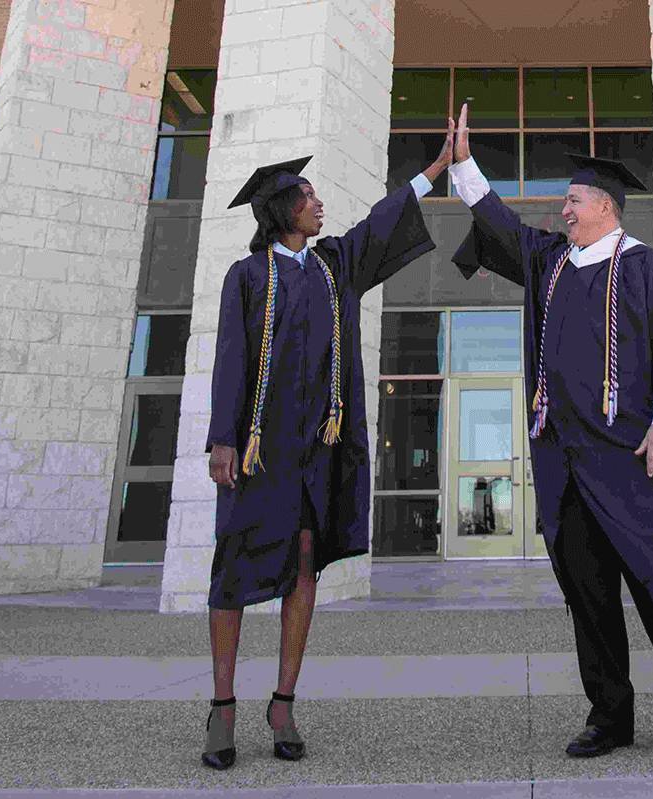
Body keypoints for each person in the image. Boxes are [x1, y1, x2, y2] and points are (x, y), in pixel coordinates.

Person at [449, 104, 653, 757]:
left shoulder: (648, 269)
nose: (564, 211)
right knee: (589, 599)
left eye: (575, 201)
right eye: (565, 202)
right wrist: (464, 165)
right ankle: (609, 715)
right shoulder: (553, 263)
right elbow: (500, 225)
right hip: (566, 466)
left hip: (634, 462)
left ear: (608, 209)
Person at [200, 120, 454, 770]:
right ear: (285, 210)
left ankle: (282, 702)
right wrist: (222, 440)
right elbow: (231, 360)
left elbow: (380, 221)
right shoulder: (247, 276)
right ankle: (222, 706)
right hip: (259, 452)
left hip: (317, 449)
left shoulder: (335, 264)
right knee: (232, 570)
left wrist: (435, 169)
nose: (319, 204)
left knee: (306, 563)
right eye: (309, 198)